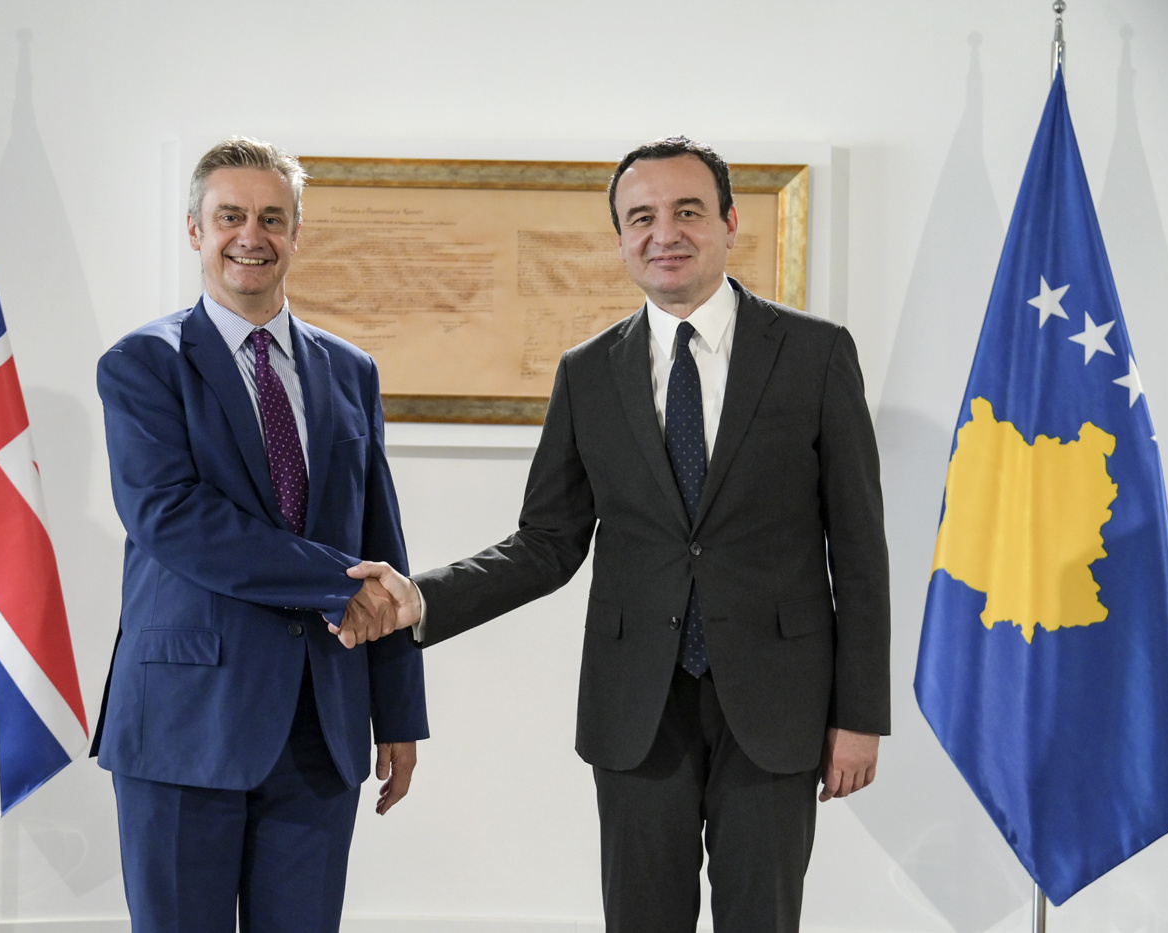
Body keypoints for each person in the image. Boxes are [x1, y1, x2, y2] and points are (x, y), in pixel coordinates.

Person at [336, 136, 890, 932]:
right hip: (638, 710)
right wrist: (422, 597)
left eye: (688, 211)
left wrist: (859, 713)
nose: (666, 233)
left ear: (730, 222)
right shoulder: (588, 372)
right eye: (642, 218)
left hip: (778, 708)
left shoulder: (815, 354)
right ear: (622, 238)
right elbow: (547, 541)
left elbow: (860, 552)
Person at [92, 137, 427, 933]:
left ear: (296, 233)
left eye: (273, 218)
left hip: (320, 727)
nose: (253, 235)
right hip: (185, 725)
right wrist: (338, 581)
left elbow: (381, 537)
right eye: (231, 216)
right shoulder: (143, 364)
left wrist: (398, 710)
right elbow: (173, 518)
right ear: (195, 229)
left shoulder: (351, 370)